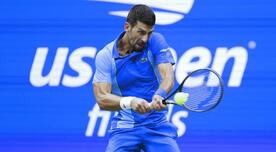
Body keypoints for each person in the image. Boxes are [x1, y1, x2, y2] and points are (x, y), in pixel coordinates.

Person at [93, 4, 180, 152]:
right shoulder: (106, 56)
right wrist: (130, 102)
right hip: (125, 128)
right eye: (141, 32)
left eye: (149, 33)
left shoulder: (156, 41)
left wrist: (160, 95)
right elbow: (102, 99)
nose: (145, 38)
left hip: (157, 126)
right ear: (127, 26)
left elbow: (168, 75)